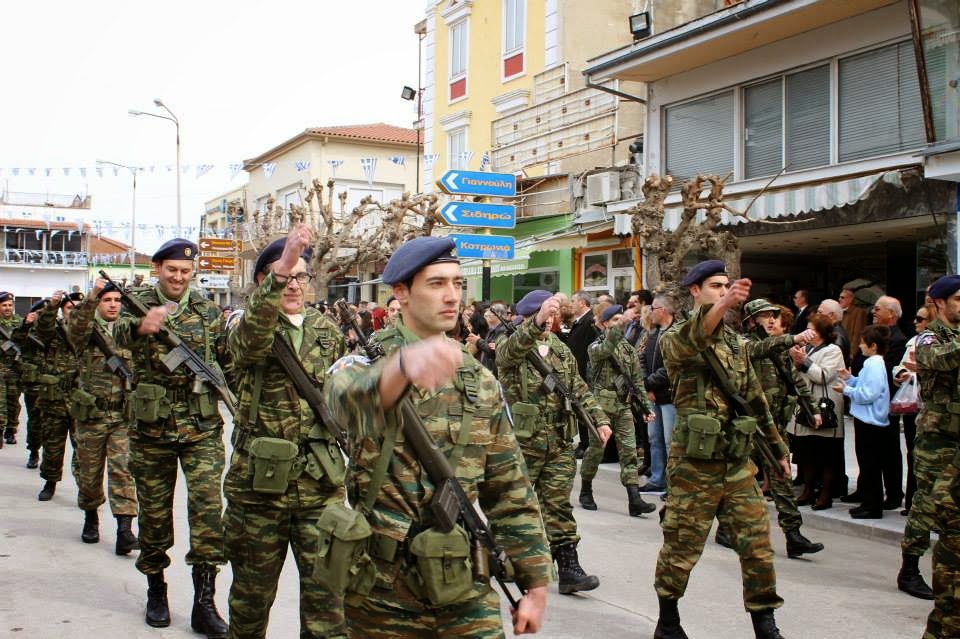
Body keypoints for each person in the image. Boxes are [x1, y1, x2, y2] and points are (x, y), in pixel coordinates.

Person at [324, 236, 552, 637]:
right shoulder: (361, 363)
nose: (452, 296)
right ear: (401, 293)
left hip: (464, 579)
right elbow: (346, 407)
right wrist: (403, 366)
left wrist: (535, 582)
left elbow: (509, 486)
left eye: (457, 284)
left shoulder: (479, 380)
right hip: (382, 588)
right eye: (436, 284)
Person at [654, 260, 790, 639]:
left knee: (758, 545)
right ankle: (668, 621)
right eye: (715, 286)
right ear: (695, 291)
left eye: (726, 285)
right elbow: (695, 338)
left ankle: (765, 622)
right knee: (681, 549)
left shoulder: (736, 344)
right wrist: (726, 303)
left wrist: (777, 450)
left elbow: (754, 399)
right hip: (695, 465)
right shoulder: (676, 336)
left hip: (736, 462)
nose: (723, 291)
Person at [224, 227, 349, 639]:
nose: (294, 285)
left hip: (320, 485)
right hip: (259, 489)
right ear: (264, 280)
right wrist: (281, 269)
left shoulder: (326, 330)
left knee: (327, 604)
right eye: (284, 275)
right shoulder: (247, 324)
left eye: (300, 276)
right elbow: (248, 346)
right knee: (251, 601)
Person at [113, 238, 229, 636]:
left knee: (208, 514)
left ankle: (204, 601)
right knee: (155, 515)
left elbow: (227, 360)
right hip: (151, 431)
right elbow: (117, 335)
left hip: (201, 430)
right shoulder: (138, 302)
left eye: (184, 271)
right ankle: (156, 591)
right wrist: (143, 328)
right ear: (158, 268)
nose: (178, 277)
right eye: (171, 270)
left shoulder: (208, 310)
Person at [496, 289, 613, 595]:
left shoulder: (561, 350)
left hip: (560, 442)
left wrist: (599, 419)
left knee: (559, 504)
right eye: (546, 314)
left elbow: (579, 388)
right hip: (524, 443)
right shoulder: (513, 346)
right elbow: (506, 354)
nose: (551, 320)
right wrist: (534, 323)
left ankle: (569, 567)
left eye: (553, 314)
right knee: (518, 504)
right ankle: (508, 556)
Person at [725, 299, 823, 559]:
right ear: (750, 321)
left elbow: (794, 380)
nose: (770, 320)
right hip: (748, 425)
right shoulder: (745, 344)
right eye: (763, 316)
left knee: (781, 475)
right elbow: (759, 348)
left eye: (773, 315)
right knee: (732, 477)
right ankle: (724, 525)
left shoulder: (778, 348)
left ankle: (793, 535)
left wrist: (812, 408)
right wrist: (793, 338)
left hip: (773, 425)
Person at [899, 278, 960, 605]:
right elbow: (936, 360)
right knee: (927, 503)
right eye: (958, 299)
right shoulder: (928, 336)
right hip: (938, 437)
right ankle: (910, 567)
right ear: (938, 302)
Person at [67, 279, 139, 554]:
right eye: (107, 300)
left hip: (122, 416)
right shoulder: (87, 331)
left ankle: (124, 530)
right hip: (92, 417)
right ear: (98, 303)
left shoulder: (128, 331)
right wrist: (91, 295)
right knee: (89, 473)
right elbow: (74, 329)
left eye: (117, 301)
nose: (113, 305)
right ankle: (91, 517)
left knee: (123, 470)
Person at [578, 303, 656, 516]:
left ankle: (634, 499)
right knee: (596, 450)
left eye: (620, 320)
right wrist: (616, 329)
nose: (618, 324)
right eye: (614, 321)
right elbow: (605, 350)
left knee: (629, 451)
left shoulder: (628, 350)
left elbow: (636, 381)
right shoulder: (596, 346)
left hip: (623, 406)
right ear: (603, 324)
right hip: (600, 408)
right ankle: (586, 490)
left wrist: (645, 407)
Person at [788, 313, 845, 510]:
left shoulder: (833, 350)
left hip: (825, 406)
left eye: (811, 328)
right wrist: (795, 362)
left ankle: (826, 494)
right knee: (806, 452)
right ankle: (808, 489)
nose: (807, 332)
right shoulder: (805, 348)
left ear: (820, 331)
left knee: (826, 454)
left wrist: (805, 361)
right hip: (804, 406)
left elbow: (823, 376)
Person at [833, 325, 891, 519]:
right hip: (867, 420)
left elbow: (869, 393)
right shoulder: (872, 363)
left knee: (871, 466)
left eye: (863, 343)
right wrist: (850, 379)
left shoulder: (874, 364)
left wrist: (847, 390)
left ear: (873, 345)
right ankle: (868, 502)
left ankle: (873, 506)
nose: (860, 346)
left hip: (871, 422)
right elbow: (866, 386)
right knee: (867, 465)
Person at [35, 291, 83, 502]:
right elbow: (41, 328)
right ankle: (50, 481)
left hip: (81, 401)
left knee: (83, 451)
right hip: (54, 398)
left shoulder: (91, 333)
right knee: (53, 446)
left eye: (79, 308)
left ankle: (86, 489)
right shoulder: (52, 331)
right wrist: (51, 305)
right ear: (63, 310)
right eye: (70, 308)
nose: (74, 312)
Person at [894, 303, 938, 516]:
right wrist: (902, 373)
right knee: (914, 454)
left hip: (934, 408)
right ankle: (913, 502)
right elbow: (900, 365)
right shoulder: (914, 341)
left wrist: (922, 369)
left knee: (935, 460)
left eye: (920, 319)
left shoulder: (941, 341)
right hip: (914, 406)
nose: (915, 322)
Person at [869, 295, 908, 511]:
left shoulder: (897, 340)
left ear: (891, 313)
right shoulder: (879, 335)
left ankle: (894, 492)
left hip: (887, 404)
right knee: (874, 451)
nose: (873, 312)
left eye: (878, 309)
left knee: (889, 451)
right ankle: (870, 487)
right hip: (873, 404)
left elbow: (887, 372)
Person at [641, 294, 677, 494]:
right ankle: (657, 478)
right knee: (654, 438)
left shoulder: (676, 334)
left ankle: (673, 483)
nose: (650, 312)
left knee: (670, 441)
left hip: (669, 396)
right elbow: (642, 361)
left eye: (653, 308)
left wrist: (648, 384)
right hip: (652, 396)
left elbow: (670, 367)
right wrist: (647, 388)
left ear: (663, 310)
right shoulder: (653, 334)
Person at [565, 291, 599, 458]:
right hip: (577, 373)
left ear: (582, 303)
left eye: (573, 301)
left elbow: (589, 350)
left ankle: (587, 444)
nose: (571, 304)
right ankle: (584, 443)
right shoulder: (579, 322)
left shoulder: (589, 322)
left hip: (584, 374)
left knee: (585, 410)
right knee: (579, 410)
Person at [0, 291, 22, 445]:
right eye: (4, 305)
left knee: (13, 401)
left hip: (15, 368)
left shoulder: (20, 322)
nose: (7, 308)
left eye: (10, 305)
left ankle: (11, 429)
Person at [839, 287, 869, 363]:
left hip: (849, 353)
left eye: (842, 297)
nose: (839, 299)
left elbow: (858, 333)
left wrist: (852, 353)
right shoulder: (839, 311)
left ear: (850, 299)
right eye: (839, 297)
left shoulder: (858, 312)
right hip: (839, 350)